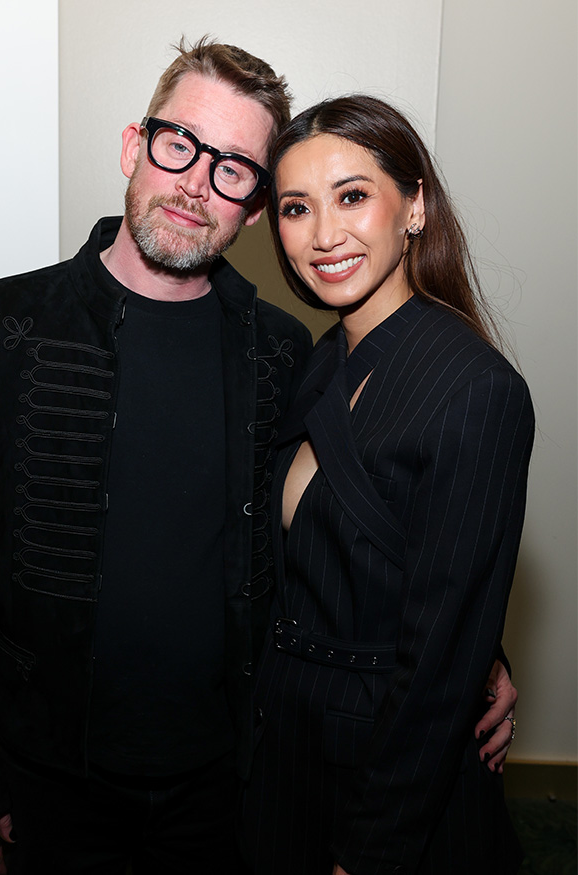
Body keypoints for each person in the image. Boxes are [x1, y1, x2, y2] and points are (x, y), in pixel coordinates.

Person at [0, 40, 516, 875]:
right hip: (49, 778)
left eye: (233, 167)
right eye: (179, 145)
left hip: (232, 781)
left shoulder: (284, 351)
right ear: (135, 146)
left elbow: (361, 534)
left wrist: (481, 652)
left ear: (255, 209)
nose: (197, 182)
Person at [240, 95, 533, 875]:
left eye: (352, 196)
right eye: (296, 207)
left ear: (415, 206)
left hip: (386, 775)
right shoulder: (321, 360)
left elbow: (437, 667)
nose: (323, 234)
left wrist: (371, 853)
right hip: (288, 751)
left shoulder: (476, 389)